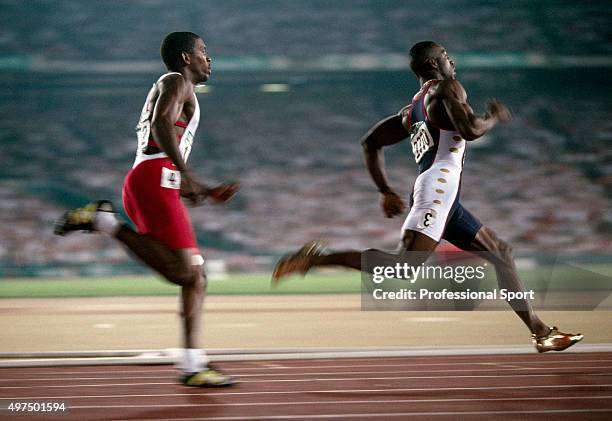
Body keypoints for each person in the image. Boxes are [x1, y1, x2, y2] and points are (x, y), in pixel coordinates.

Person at [273, 41, 583, 353]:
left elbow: (371, 142)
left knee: (501, 253)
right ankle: (314, 259)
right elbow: (472, 130)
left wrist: (385, 190)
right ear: (433, 65)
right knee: (403, 268)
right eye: (446, 56)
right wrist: (493, 115)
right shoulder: (447, 88)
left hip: (444, 195)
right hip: (438, 191)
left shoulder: (412, 111)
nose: (452, 60)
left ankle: (540, 332)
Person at [54, 32, 239, 386]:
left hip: (157, 178)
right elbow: (159, 125)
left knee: (195, 277)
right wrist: (188, 176)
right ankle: (105, 222)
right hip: (154, 177)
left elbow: (160, 139)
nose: (209, 59)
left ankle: (192, 364)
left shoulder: (179, 86)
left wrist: (196, 187)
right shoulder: (175, 81)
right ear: (186, 58)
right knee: (186, 274)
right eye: (203, 52)